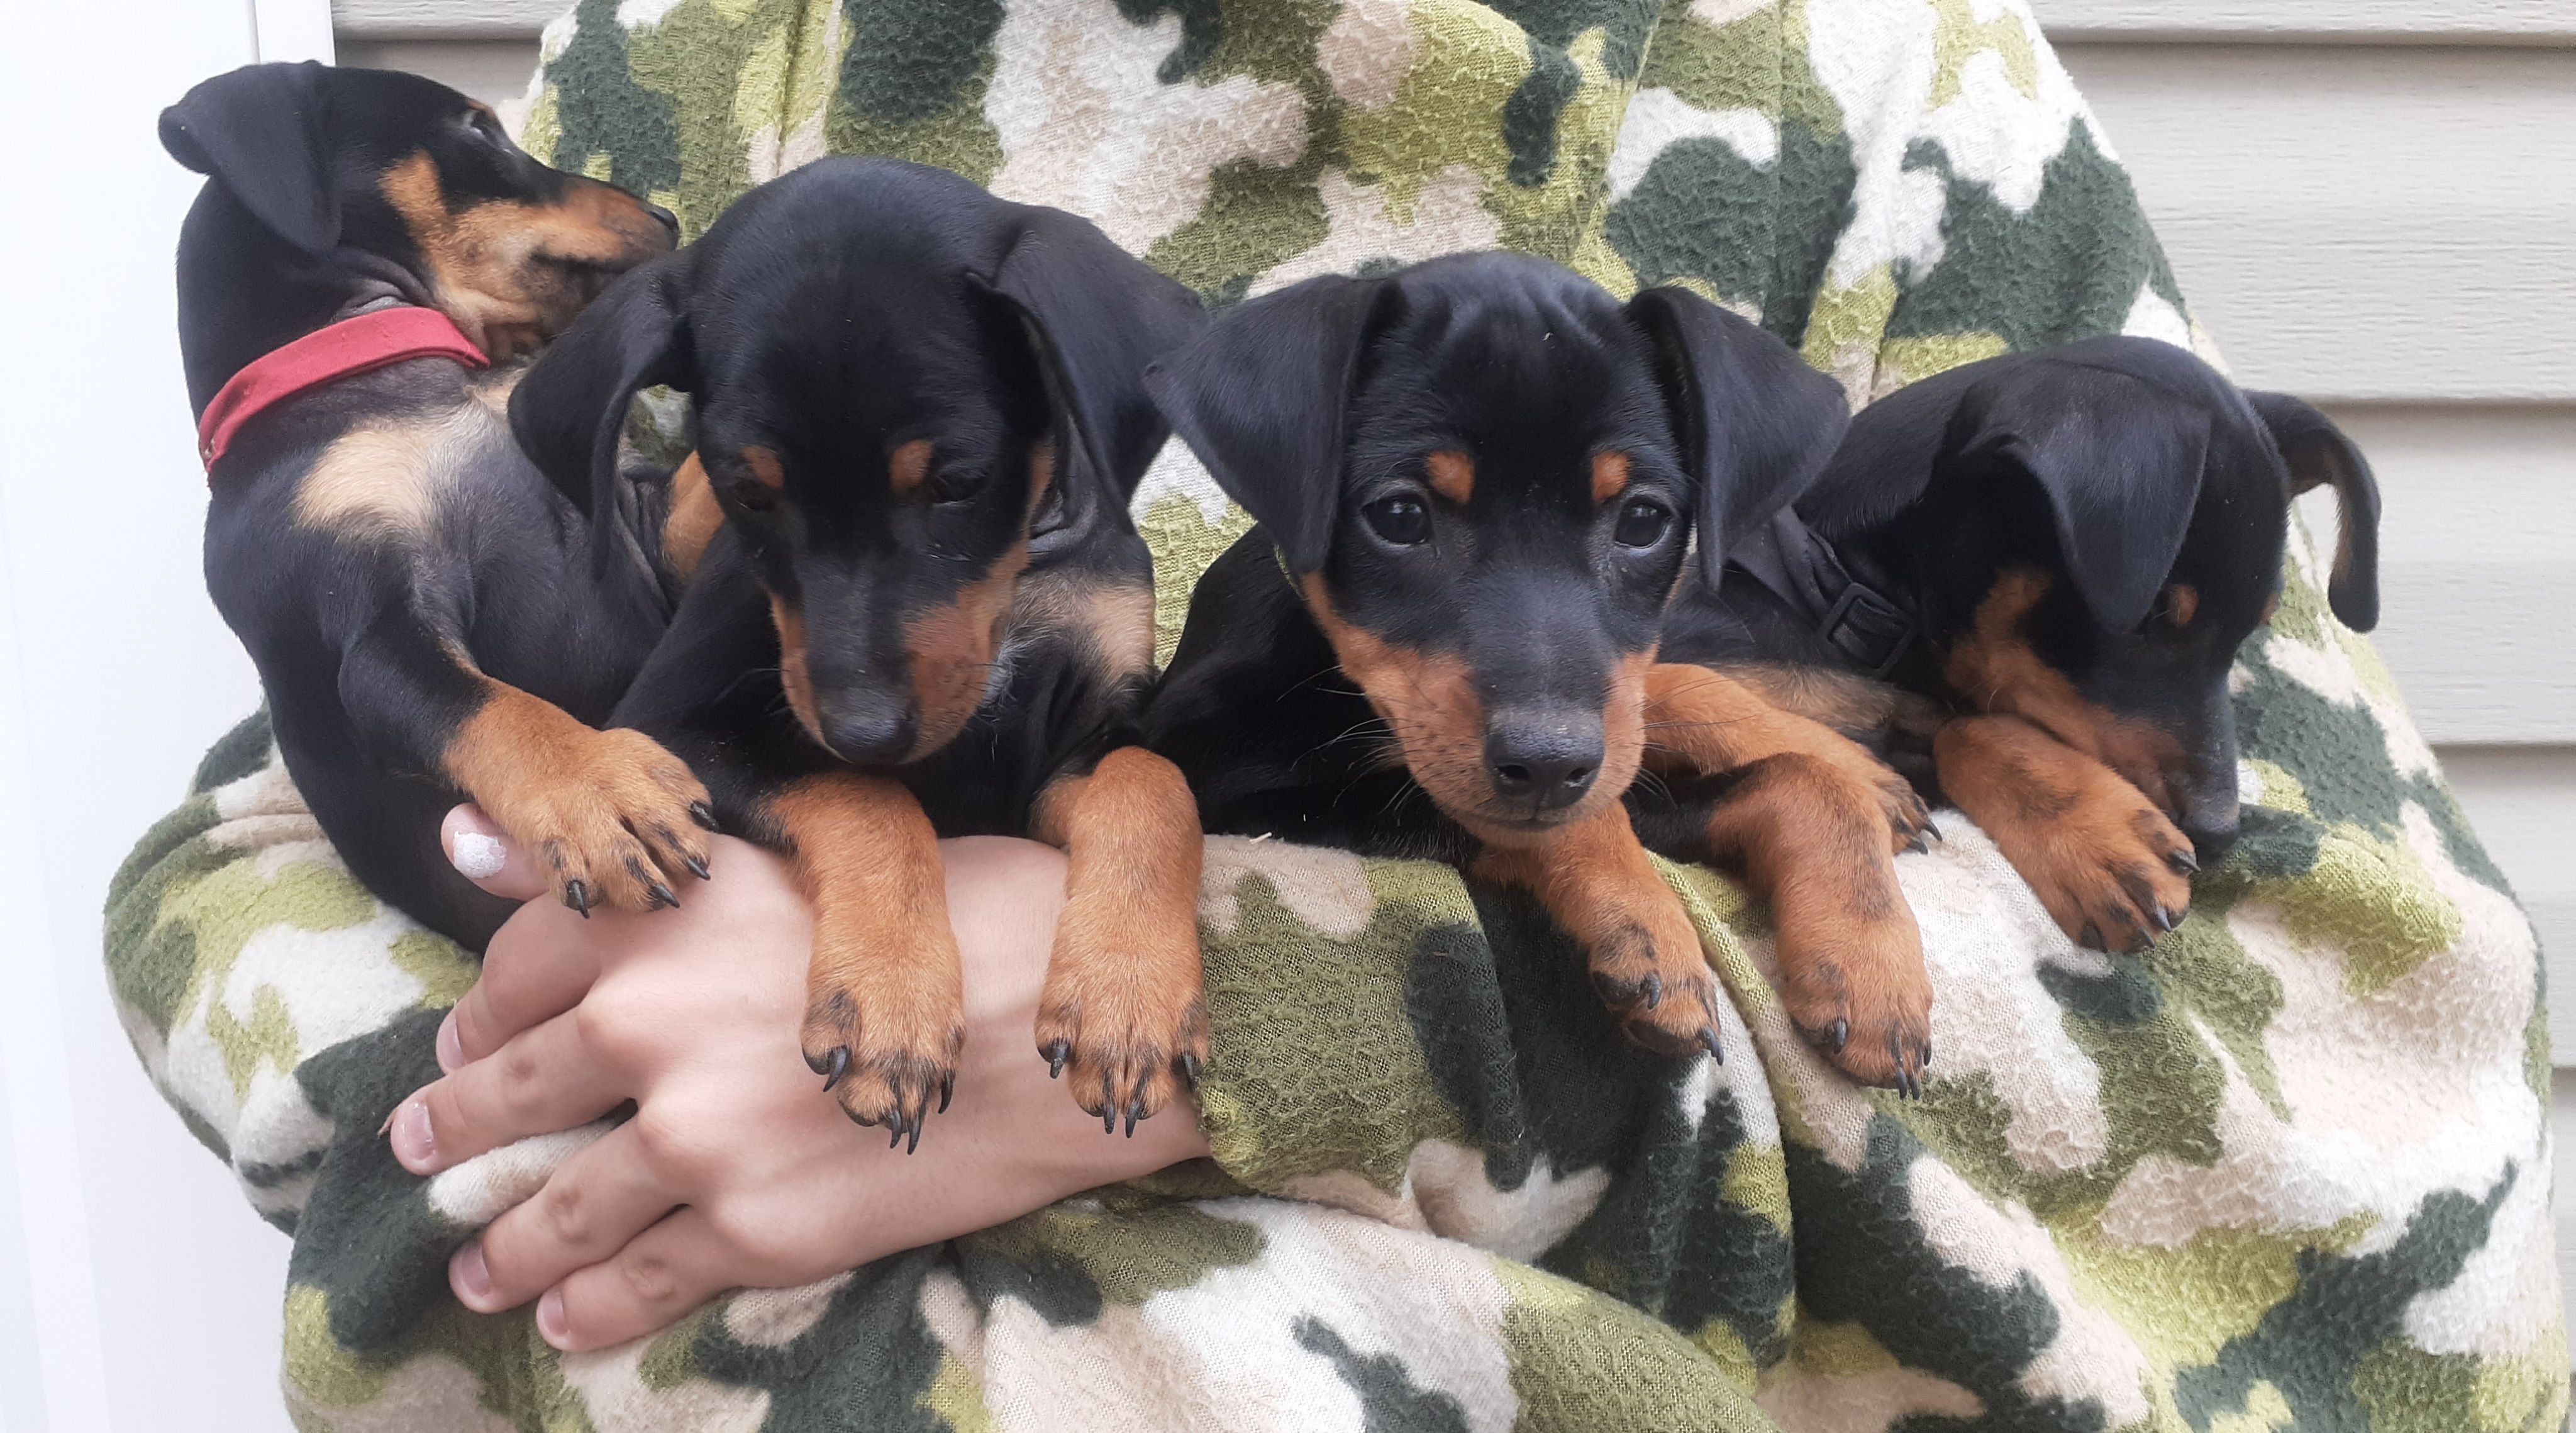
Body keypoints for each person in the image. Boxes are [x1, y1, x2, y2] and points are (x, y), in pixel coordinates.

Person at [110, 1, 2563, 1428]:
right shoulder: (717, 62)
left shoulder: (1847, 77)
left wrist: (1252, 1026)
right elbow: (286, 810)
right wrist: (543, 1044)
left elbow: (2359, 1076)